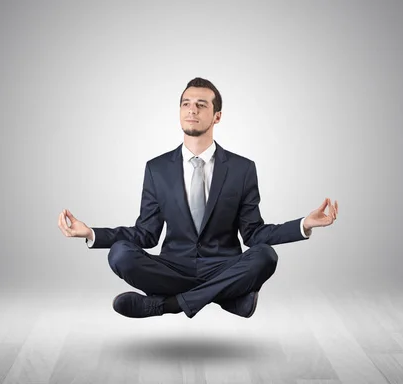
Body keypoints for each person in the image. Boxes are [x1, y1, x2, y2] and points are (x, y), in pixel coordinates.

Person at [58, 77, 338, 319]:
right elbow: (146, 234)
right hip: (173, 266)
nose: (192, 109)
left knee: (265, 256)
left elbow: (253, 234)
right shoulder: (156, 169)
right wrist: (92, 233)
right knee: (120, 253)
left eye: (201, 105)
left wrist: (304, 225)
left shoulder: (242, 169)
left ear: (217, 116)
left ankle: (168, 305)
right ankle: (227, 297)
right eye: (186, 103)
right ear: (179, 111)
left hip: (223, 264)